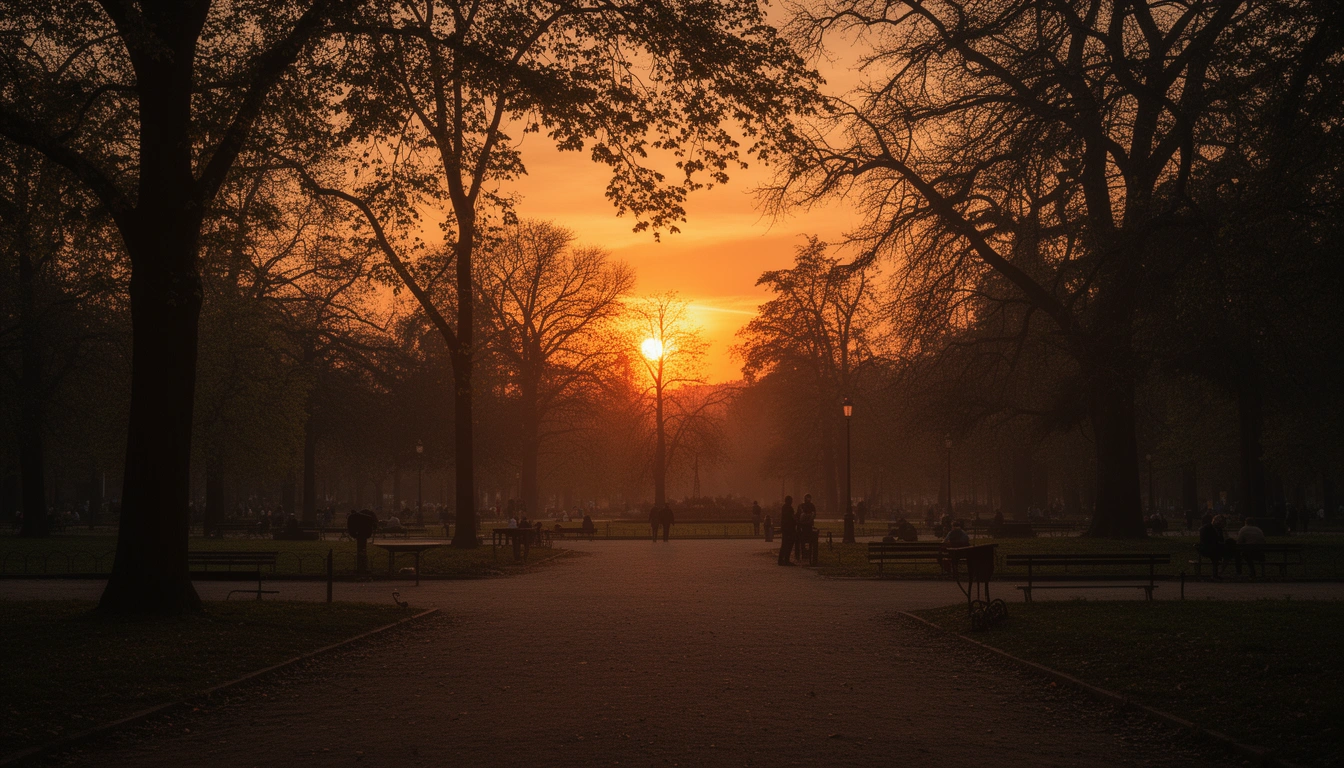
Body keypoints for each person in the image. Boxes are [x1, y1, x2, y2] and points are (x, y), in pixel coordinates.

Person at [1198, 512, 1226, 576]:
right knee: (1216, 556)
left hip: (1215, 548)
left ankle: (1219, 572)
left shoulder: (1218, 529)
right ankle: (1216, 574)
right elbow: (1207, 540)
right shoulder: (1207, 528)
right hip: (1209, 548)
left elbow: (1221, 539)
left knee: (1224, 554)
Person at [796, 494, 816, 561]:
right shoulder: (809, 506)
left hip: (805, 525)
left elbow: (798, 515)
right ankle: (805, 552)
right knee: (804, 540)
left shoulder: (803, 506)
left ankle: (805, 553)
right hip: (806, 526)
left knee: (803, 540)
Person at [777, 496, 796, 565]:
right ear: (789, 501)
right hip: (789, 528)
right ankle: (786, 559)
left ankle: (781, 559)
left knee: (784, 544)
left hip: (785, 528)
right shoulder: (790, 508)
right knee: (789, 544)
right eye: (791, 500)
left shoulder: (784, 507)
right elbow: (792, 517)